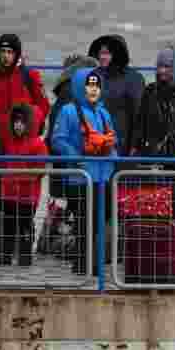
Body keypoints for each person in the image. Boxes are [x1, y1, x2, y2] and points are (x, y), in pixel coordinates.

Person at [50, 69, 118, 275]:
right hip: (80, 177)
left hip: (103, 175)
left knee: (100, 220)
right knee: (83, 221)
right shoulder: (68, 111)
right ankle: (82, 262)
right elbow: (58, 139)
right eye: (89, 85)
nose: (93, 89)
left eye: (96, 85)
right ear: (81, 87)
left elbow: (113, 139)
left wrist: (114, 156)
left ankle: (93, 262)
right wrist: (76, 157)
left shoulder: (103, 112)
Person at [0, 34, 50, 210]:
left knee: (26, 194)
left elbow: (43, 105)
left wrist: (31, 130)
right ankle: (4, 234)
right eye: (2, 51)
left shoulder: (29, 76)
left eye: (10, 52)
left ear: (17, 54)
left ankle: (25, 233)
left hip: (24, 147)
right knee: (1, 194)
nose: (6, 56)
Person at [0, 103, 48, 266]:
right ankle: (6, 255)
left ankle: (25, 256)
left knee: (25, 226)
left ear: (29, 123)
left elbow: (40, 170)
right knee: (8, 226)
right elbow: (3, 164)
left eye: (22, 122)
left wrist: (20, 177)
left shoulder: (38, 144)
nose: (18, 125)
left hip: (27, 195)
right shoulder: (9, 142)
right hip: (9, 192)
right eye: (15, 121)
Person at [129, 43, 175, 167]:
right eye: (159, 66)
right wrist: (135, 146)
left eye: (167, 67)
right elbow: (140, 123)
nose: (161, 71)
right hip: (154, 155)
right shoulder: (150, 91)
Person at [47, 54, 98, 200]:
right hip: (77, 168)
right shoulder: (76, 94)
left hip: (63, 169)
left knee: (65, 211)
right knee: (81, 214)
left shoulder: (63, 94)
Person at [88, 34, 145, 156]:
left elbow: (138, 114)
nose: (102, 57)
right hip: (97, 140)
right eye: (100, 53)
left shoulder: (134, 78)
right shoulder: (94, 75)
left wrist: (135, 145)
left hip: (122, 141)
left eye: (107, 53)